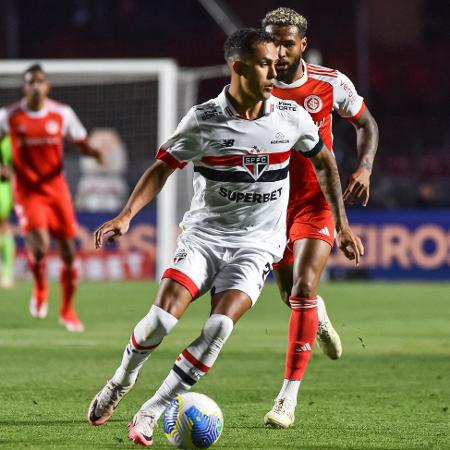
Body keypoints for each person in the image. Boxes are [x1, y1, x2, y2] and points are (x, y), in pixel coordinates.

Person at [87, 28, 363, 447]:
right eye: (265, 64)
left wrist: (341, 224)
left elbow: (324, 162)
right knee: (160, 320)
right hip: (204, 239)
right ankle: (121, 380)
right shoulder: (204, 119)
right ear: (239, 67)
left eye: (275, 63)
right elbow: (163, 166)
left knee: (218, 328)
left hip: (256, 247)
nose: (275, 70)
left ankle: (152, 410)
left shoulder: (290, 117)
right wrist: (127, 215)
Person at [261, 7, 379, 428]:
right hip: (270, 206)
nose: (278, 52)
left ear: (302, 44)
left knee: (305, 286)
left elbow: (366, 124)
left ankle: (286, 400)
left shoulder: (330, 83)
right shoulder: (254, 87)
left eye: (287, 43)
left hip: (316, 202)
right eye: (272, 42)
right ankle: (319, 316)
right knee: (289, 293)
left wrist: (364, 167)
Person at [0, 63, 102, 331]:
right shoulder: (8, 116)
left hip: (57, 191)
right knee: (40, 246)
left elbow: (80, 141)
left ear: (47, 86)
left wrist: (94, 153)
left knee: (69, 252)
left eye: (40, 81)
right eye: (30, 82)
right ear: (24, 87)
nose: (35, 86)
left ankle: (67, 310)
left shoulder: (62, 114)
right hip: (27, 192)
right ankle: (40, 289)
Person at [0, 136, 15, 288]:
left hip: (1, 187)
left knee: (3, 226)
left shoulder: (7, 140)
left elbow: (12, 167)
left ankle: (7, 273)